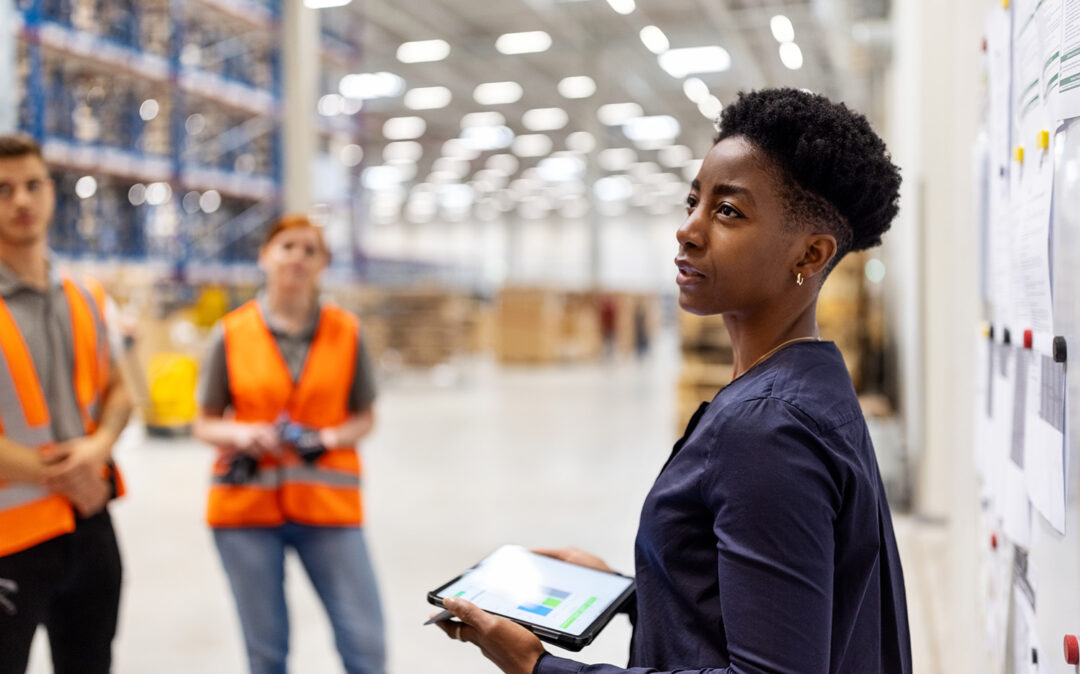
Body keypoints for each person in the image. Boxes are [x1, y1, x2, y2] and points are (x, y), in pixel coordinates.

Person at [435, 88, 912, 674]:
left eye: (728, 211)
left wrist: (540, 667)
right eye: (694, 202)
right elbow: (783, 607)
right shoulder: (812, 384)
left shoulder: (766, 430)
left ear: (810, 256)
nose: (688, 230)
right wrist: (637, 589)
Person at [193, 215, 385, 674]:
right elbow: (203, 423)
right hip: (245, 513)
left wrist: (329, 438)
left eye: (310, 250)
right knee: (267, 654)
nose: (297, 257)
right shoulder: (231, 333)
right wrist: (242, 434)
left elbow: (366, 416)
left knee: (365, 643)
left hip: (328, 508)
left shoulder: (347, 332)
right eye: (287, 247)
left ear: (323, 264)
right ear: (265, 256)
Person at [0, 133, 132, 674]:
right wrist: (61, 471)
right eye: (4, 190)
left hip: (91, 522)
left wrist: (98, 447)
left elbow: (120, 388)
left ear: (52, 194)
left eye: (33, 186)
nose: (21, 201)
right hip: (10, 538)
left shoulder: (87, 294)